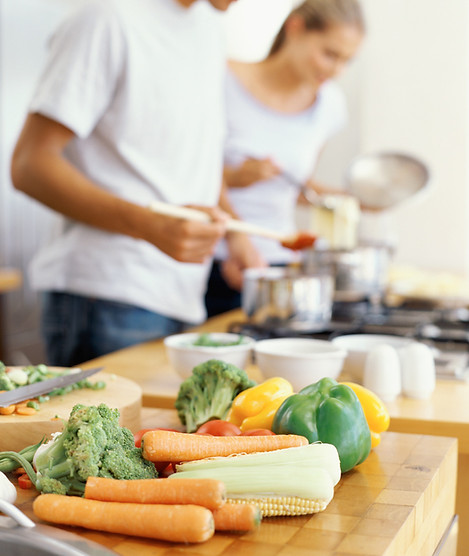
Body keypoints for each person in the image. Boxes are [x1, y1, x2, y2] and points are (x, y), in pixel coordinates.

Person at [11, 0, 258, 367]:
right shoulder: (106, 17)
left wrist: (234, 231)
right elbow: (29, 164)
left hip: (180, 292)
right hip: (106, 297)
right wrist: (148, 225)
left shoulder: (208, 26)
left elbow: (193, 155)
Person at [205, 0, 365, 318]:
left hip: (279, 261)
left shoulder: (329, 106)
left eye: (347, 61)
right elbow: (191, 170)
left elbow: (297, 186)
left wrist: (356, 199)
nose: (336, 70)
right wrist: (236, 181)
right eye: (330, 54)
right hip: (217, 258)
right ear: (295, 28)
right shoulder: (220, 79)